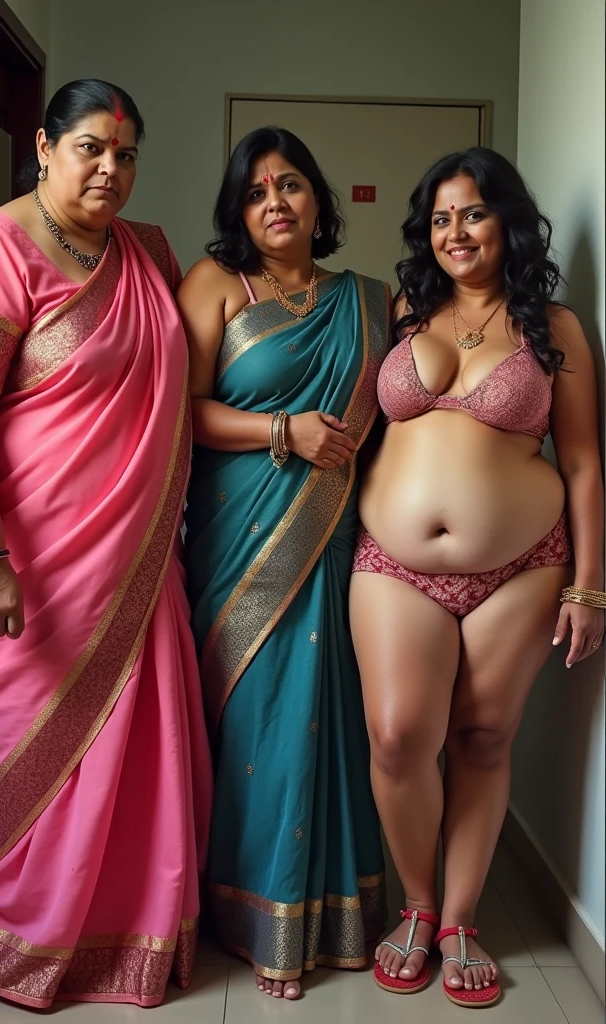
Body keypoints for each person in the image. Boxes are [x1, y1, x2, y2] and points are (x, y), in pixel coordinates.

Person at [0, 78, 212, 1009]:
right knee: (35, 754)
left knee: (142, 754)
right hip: (30, 564)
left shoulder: (149, 253)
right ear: (43, 146)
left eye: (126, 154)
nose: (110, 170)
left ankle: (128, 940)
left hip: (136, 558)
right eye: (90, 147)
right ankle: (26, 938)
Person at [350, 147, 604, 1008]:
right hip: (392, 562)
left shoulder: (554, 328)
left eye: (476, 213)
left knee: (485, 737)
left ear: (508, 223)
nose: (457, 232)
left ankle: (458, 919)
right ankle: (416, 903)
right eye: (442, 217)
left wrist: (590, 585)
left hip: (525, 567)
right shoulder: (398, 311)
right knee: (396, 737)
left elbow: (582, 466)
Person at [177, 126, 390, 1000]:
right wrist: (283, 430)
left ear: (318, 199)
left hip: (334, 536)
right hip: (240, 535)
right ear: (238, 208)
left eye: (292, 184)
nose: (276, 202)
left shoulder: (371, 301)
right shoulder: (215, 286)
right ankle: (253, 911)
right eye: (257, 190)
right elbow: (181, 411)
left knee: (330, 710)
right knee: (259, 722)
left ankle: (335, 912)